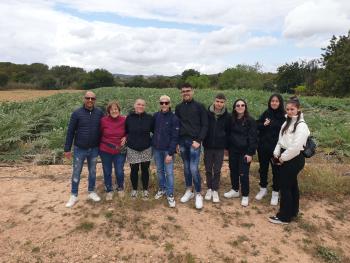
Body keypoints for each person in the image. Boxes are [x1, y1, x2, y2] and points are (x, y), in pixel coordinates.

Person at [269, 96, 310, 225]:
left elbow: (296, 147)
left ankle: (284, 217)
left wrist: (282, 158)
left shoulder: (301, 126)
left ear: (298, 109)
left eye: (292, 109)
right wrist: (276, 152)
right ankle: (293, 211)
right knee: (292, 186)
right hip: (285, 155)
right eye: (287, 109)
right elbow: (280, 140)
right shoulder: (287, 122)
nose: (289, 111)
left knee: (285, 187)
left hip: (294, 158)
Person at [65, 91, 104, 208]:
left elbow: (105, 128)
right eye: (88, 98)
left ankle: (91, 191)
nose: (90, 100)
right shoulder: (77, 113)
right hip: (79, 148)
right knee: (77, 172)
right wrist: (67, 148)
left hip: (94, 148)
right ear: (84, 99)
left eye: (93, 98)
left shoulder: (99, 113)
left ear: (95, 100)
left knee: (92, 171)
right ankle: (74, 195)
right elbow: (70, 131)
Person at [175, 83, 208, 209]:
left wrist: (199, 140)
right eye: (183, 91)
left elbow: (205, 125)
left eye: (188, 90)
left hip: (194, 142)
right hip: (182, 141)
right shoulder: (178, 108)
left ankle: (198, 193)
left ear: (192, 91)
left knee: (194, 168)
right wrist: (177, 142)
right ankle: (189, 190)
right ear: (181, 93)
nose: (186, 93)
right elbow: (177, 126)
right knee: (186, 167)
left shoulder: (200, 106)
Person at [224, 99, 257, 207]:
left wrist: (250, 153)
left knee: (243, 174)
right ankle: (235, 190)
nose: (240, 107)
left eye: (242, 105)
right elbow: (228, 134)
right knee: (233, 170)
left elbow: (253, 138)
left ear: (245, 107)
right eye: (238, 105)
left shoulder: (250, 120)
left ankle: (245, 195)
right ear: (234, 107)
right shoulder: (231, 119)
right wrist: (226, 148)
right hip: (233, 150)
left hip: (245, 152)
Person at [255, 94, 285, 205]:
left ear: (280, 102)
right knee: (263, 169)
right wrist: (263, 124)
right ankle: (263, 189)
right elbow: (257, 124)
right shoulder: (266, 113)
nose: (274, 103)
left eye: (276, 101)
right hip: (263, 148)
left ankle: (275, 193)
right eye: (272, 101)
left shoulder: (284, 116)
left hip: (277, 150)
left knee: (276, 170)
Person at [152, 95, 180, 208]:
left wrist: (170, 153)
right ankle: (162, 189)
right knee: (159, 170)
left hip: (167, 150)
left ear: (170, 104)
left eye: (166, 103)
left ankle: (170, 194)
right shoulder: (156, 116)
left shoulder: (174, 118)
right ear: (159, 104)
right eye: (162, 103)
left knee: (169, 173)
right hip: (157, 149)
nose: (164, 105)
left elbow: (175, 137)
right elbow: (151, 129)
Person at [203, 93, 230, 203]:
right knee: (208, 169)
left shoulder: (228, 116)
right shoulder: (207, 113)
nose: (219, 104)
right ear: (214, 101)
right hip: (208, 146)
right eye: (217, 101)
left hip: (220, 147)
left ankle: (215, 189)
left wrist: (226, 147)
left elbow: (228, 132)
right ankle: (209, 188)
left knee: (217, 170)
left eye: (222, 102)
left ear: (224, 103)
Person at [125, 99, 154, 198]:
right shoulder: (129, 118)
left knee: (145, 169)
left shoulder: (149, 118)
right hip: (132, 148)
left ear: (145, 106)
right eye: (138, 104)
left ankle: (145, 190)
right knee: (134, 170)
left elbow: (154, 131)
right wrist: (125, 137)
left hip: (146, 148)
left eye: (142, 105)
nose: (140, 106)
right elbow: (125, 131)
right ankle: (134, 189)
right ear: (134, 105)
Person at [99, 101, 127, 201]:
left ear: (119, 110)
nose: (114, 111)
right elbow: (99, 133)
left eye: (116, 109)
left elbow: (129, 131)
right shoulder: (103, 121)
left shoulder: (124, 120)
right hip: (105, 150)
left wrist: (126, 137)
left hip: (119, 150)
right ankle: (109, 190)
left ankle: (120, 188)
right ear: (108, 111)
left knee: (119, 171)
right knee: (107, 171)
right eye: (112, 109)